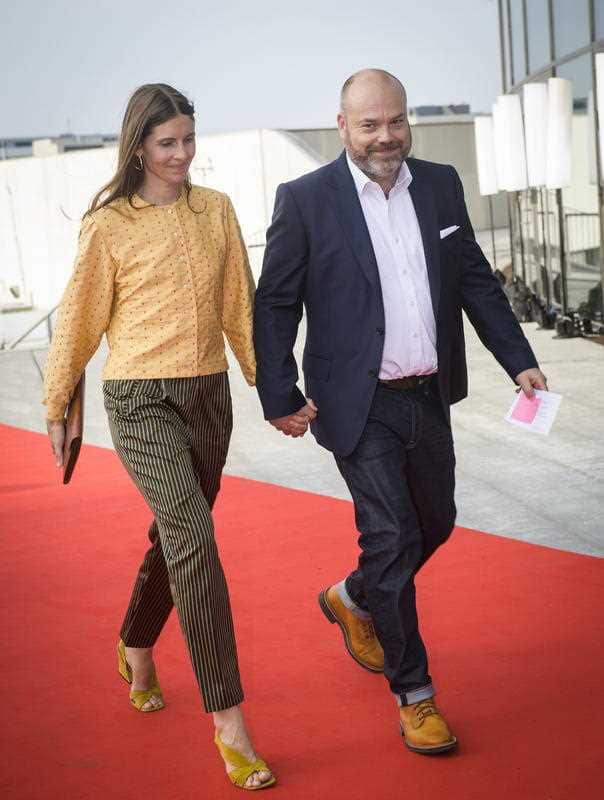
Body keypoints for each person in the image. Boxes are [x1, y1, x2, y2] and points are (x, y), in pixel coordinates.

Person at [253, 69, 547, 754]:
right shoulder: (306, 200)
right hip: (356, 402)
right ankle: (416, 696)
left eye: (396, 122)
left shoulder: (440, 183)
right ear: (343, 125)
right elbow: (275, 303)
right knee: (391, 538)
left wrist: (517, 357)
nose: (386, 137)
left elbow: (472, 276)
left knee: (432, 524)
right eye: (369, 125)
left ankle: (353, 596)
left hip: (427, 395)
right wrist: (281, 393)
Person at [43, 83, 275, 790]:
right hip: (139, 400)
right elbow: (78, 318)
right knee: (196, 540)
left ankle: (136, 643)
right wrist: (58, 402)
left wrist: (276, 388)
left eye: (188, 140)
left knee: (175, 537)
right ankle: (229, 721)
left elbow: (242, 304)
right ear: (138, 145)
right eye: (166, 143)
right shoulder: (109, 224)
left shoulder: (217, 212)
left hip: (208, 398)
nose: (181, 155)